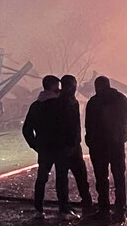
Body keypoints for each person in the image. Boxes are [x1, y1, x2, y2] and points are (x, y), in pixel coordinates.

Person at [22, 74, 82, 217]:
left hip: (44, 149)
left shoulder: (36, 106)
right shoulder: (61, 104)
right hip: (61, 148)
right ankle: (64, 209)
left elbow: (26, 130)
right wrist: (70, 145)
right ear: (54, 86)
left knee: (42, 178)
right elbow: (70, 126)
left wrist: (35, 145)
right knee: (62, 179)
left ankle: (38, 209)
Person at [86, 75, 127, 217]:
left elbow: (88, 125)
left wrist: (90, 141)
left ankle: (104, 208)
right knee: (119, 176)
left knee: (101, 177)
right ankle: (120, 208)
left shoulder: (93, 102)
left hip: (98, 145)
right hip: (117, 143)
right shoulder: (121, 98)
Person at [60, 75, 93, 211]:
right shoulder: (67, 102)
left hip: (68, 145)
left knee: (65, 176)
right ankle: (83, 202)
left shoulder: (64, 100)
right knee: (78, 174)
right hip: (69, 145)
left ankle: (71, 203)